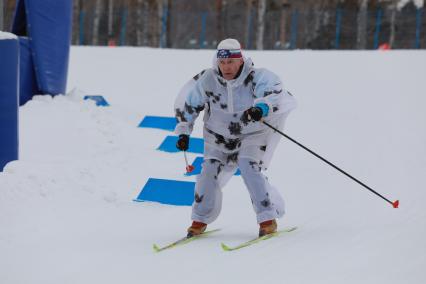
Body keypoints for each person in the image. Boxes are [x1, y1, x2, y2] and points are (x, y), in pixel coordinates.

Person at [174, 38, 296, 237]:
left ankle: (267, 218)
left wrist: (261, 108)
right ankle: (199, 220)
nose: (226, 67)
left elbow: (274, 93)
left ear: (241, 60)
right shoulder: (208, 80)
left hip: (252, 134)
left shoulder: (256, 77)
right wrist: (183, 132)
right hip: (218, 136)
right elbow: (188, 106)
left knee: (249, 166)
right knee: (208, 172)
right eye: (222, 63)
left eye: (231, 62)